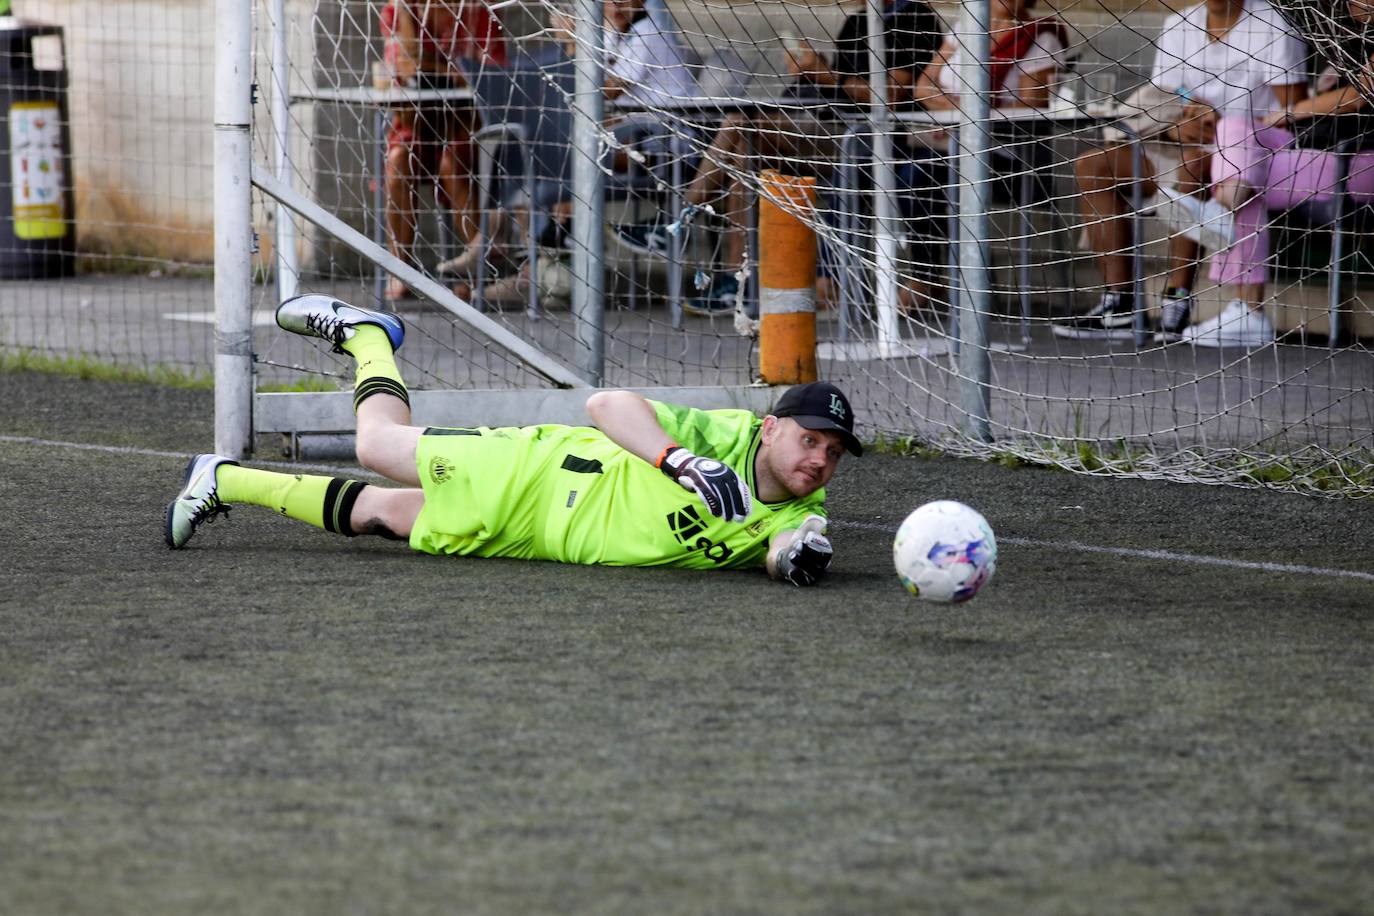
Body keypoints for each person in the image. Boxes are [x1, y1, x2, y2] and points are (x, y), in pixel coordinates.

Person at [164, 294, 861, 585]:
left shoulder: (801, 515)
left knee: (382, 514)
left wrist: (797, 561)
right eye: (810, 440)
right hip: (537, 474)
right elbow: (606, 403)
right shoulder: (725, 434)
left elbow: (783, 549)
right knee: (379, 446)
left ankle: (222, 479)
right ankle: (369, 337)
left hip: (540, 541)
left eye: (832, 453)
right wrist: (681, 461)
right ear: (771, 428)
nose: (818, 459)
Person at [616, 0, 943, 316]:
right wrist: (812, 71)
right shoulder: (858, 20)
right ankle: (733, 278)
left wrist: (826, 75)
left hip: (876, 142)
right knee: (743, 152)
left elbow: (891, 95)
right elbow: (844, 87)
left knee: (739, 123)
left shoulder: (915, 17)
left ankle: (680, 223)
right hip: (832, 129)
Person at [1051, 0, 1308, 342]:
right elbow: (1165, 100)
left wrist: (1222, 130)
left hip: (1245, 152)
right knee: (1092, 165)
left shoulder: (1273, 24)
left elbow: (1296, 112)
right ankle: (1121, 304)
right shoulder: (1179, 24)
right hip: (1178, 143)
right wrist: (1176, 129)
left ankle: (1177, 299)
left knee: (1195, 164)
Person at [1182, 0, 1374, 347]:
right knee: (1236, 128)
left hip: (1360, 161)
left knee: (1245, 175)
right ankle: (1224, 209)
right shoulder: (1349, 34)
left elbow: (1362, 94)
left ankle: (1245, 303)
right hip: (1317, 149)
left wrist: (1290, 110)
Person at [381, 0, 506, 302]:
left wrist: (431, 69)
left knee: (453, 161)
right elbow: (404, 66)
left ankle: (478, 272)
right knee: (399, 159)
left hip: (469, 122)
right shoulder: (397, 10)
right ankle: (401, 269)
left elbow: (489, 75)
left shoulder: (481, 10)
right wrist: (407, 15)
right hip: (416, 120)